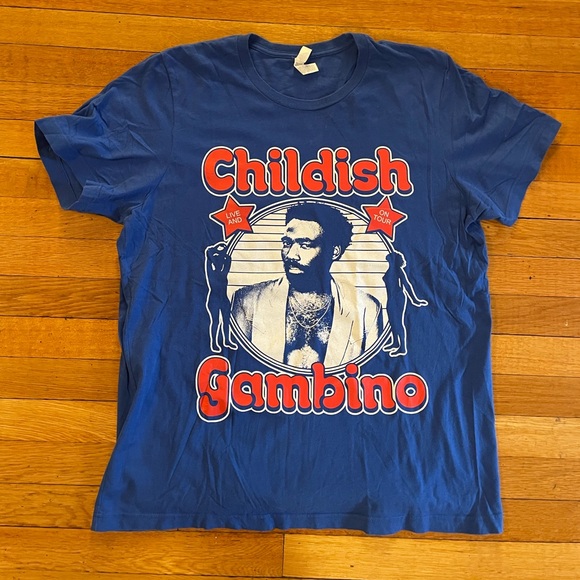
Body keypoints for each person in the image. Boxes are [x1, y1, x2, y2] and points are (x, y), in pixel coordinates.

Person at [231, 202, 383, 368]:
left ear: (334, 252)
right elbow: (234, 365)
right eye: (287, 243)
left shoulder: (366, 308)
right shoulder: (248, 301)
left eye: (305, 245)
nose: (291, 255)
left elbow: (373, 371)